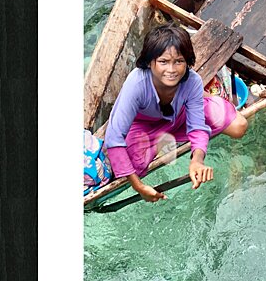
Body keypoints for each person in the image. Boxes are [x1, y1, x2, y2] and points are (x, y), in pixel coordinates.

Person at [104, 23, 248, 202]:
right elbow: (114, 138)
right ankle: (170, 129)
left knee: (239, 127)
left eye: (178, 61)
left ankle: (208, 98)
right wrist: (139, 187)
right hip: (145, 124)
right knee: (135, 166)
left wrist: (197, 160)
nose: (171, 70)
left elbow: (197, 126)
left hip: (180, 114)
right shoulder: (136, 83)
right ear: (150, 62)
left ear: (187, 62)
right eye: (163, 62)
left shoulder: (192, 80)